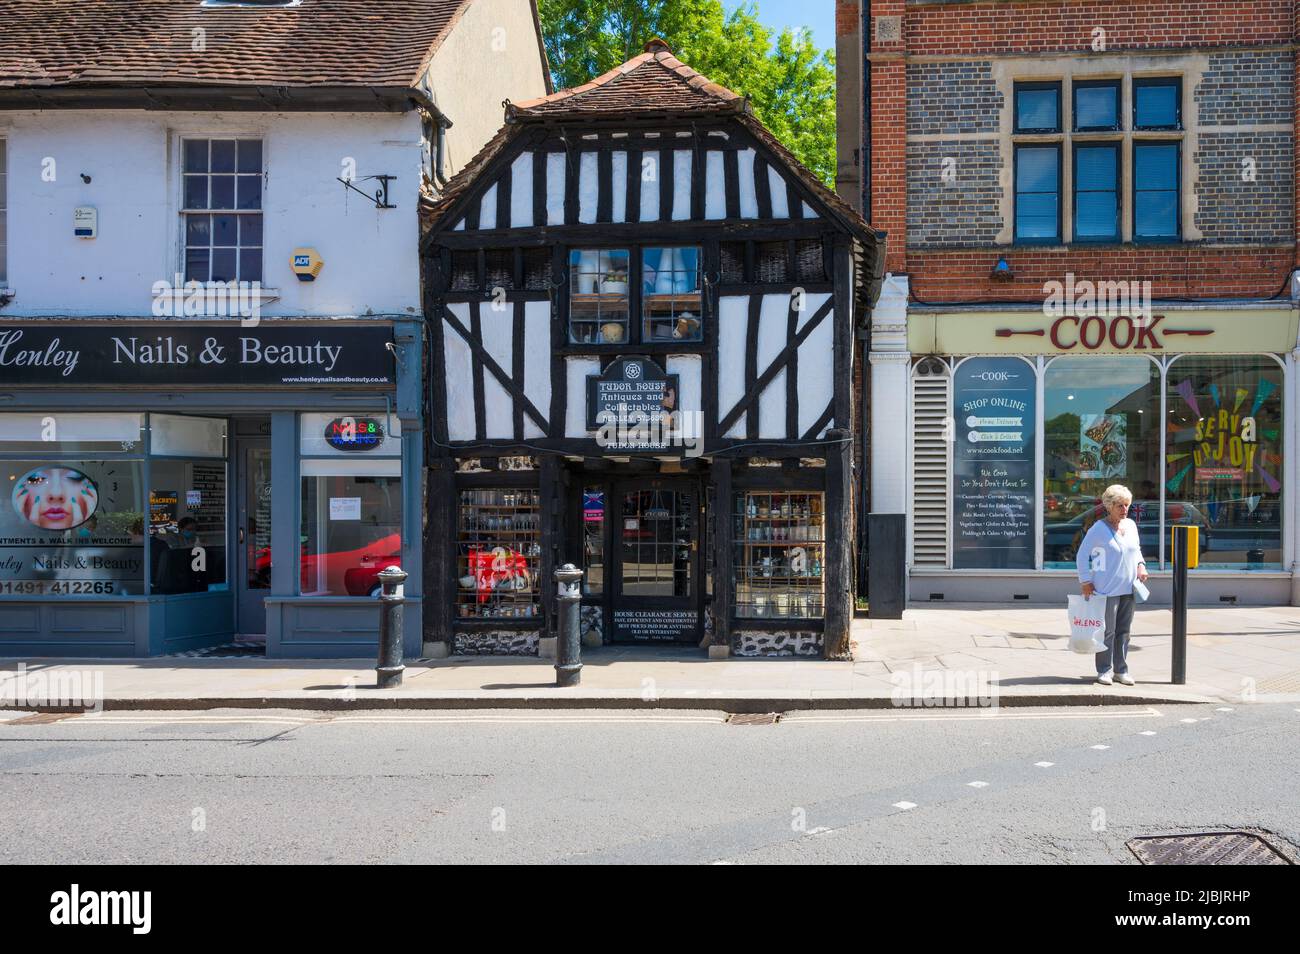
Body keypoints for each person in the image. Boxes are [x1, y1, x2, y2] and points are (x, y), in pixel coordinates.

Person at [1077, 484, 1149, 686]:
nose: (1124, 510)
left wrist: (1141, 565)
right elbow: (1082, 555)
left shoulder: (1131, 526)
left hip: (1129, 587)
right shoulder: (1099, 528)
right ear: (1109, 506)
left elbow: (1137, 551)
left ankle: (1121, 670)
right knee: (1107, 631)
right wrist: (1085, 580)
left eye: (1127, 505)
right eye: (1120, 505)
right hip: (1106, 588)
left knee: (1124, 631)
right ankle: (1104, 670)